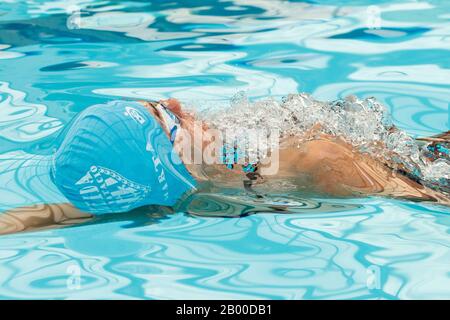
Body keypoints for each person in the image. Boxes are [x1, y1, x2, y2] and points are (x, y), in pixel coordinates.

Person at [0, 97, 448, 235]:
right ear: (173, 162)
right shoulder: (321, 160)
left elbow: (434, 197)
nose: (178, 103)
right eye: (168, 116)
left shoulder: (317, 159)